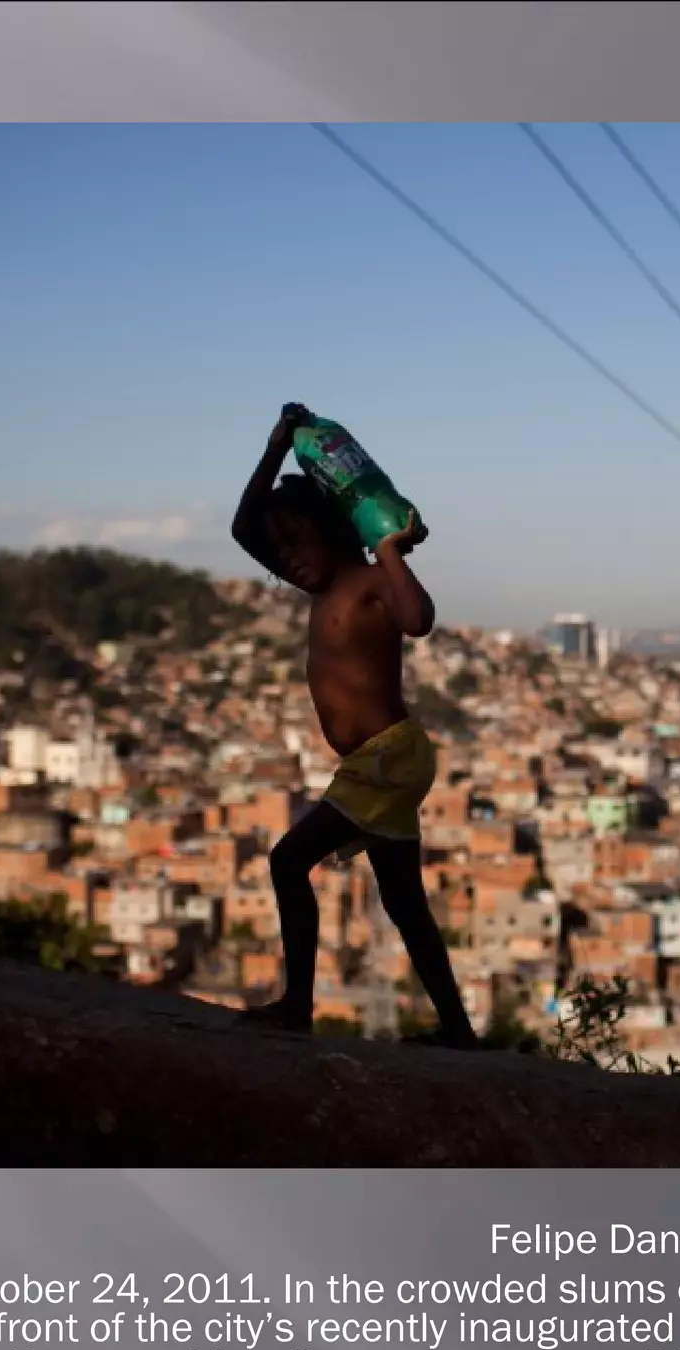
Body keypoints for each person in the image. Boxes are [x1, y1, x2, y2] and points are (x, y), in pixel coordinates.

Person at [231, 406, 476, 1048]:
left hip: (385, 757)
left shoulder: (368, 581)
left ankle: (298, 1007)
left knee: (289, 862)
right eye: (279, 551)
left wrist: (390, 547)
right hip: (380, 762)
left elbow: (418, 618)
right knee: (404, 905)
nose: (287, 558)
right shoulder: (322, 592)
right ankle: (457, 1031)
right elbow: (242, 527)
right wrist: (276, 448)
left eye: (296, 541)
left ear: (335, 531)